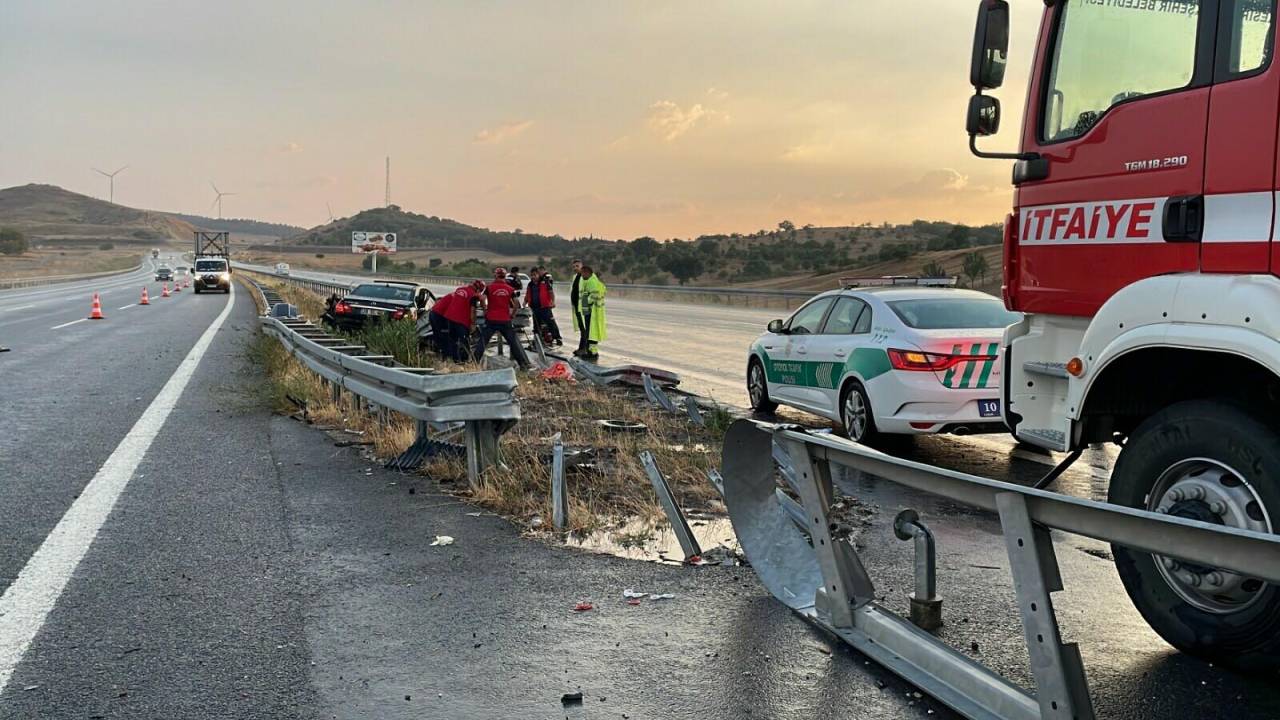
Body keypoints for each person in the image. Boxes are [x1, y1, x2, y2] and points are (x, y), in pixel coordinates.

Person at [474, 268, 531, 369]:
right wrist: (513, 314)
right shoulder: (510, 289)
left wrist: (485, 310)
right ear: (505, 276)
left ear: (495, 275)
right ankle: (523, 364)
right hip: (505, 320)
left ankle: (474, 361)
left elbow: (482, 299)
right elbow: (516, 303)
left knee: (483, 341)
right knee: (513, 342)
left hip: (491, 319)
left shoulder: (489, 287)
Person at [436, 280, 485, 362]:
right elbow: (473, 311)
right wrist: (473, 324)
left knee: (453, 340)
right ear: (478, 289)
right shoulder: (473, 296)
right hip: (461, 321)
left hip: (450, 318)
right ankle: (464, 361)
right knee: (464, 342)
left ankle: (453, 360)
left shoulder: (459, 289)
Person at [575, 265, 606, 361]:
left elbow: (593, 295)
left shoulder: (592, 282)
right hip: (589, 310)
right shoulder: (588, 281)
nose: (582, 275)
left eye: (583, 273)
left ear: (588, 272)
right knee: (590, 331)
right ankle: (590, 351)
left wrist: (585, 301)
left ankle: (592, 352)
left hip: (593, 311)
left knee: (591, 332)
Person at [525, 267, 563, 346]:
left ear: (538, 275)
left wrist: (552, 302)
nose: (533, 277)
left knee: (551, 323)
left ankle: (557, 338)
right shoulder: (530, 284)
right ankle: (537, 340)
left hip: (545, 307)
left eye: (535, 275)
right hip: (535, 308)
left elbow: (551, 293)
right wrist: (525, 302)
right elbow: (528, 294)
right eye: (531, 275)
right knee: (536, 325)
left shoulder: (545, 282)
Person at [569, 259, 588, 355]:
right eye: (574, 266)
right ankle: (583, 348)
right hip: (577, 306)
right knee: (582, 328)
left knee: (584, 328)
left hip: (583, 307)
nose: (575, 268)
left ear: (582, 266)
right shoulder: (575, 277)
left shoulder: (585, 277)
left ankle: (583, 349)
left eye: (577, 266)